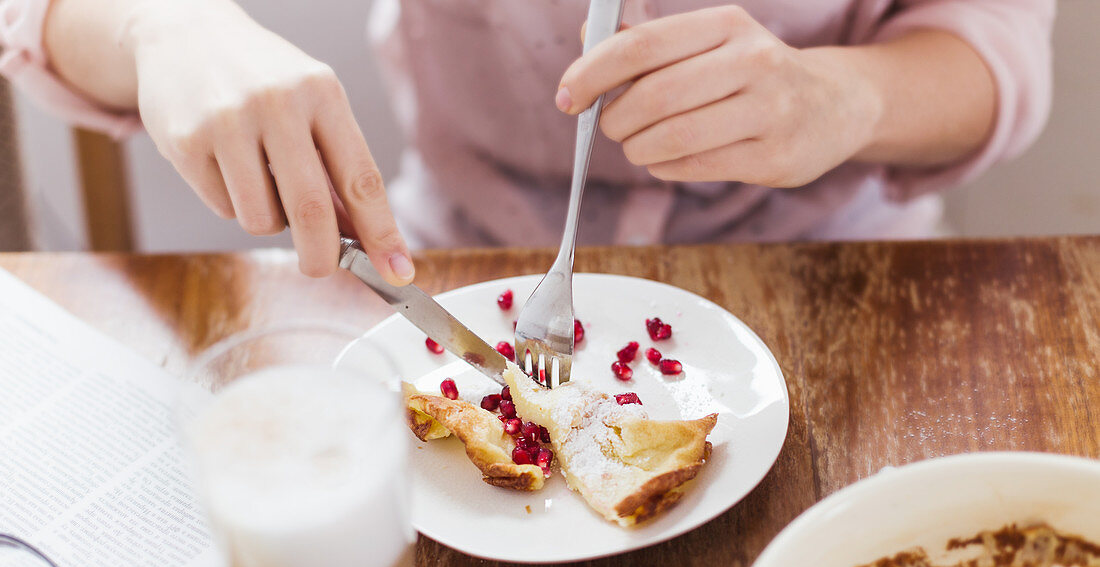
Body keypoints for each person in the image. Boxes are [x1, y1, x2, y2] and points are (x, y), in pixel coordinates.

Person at [0, 0, 1054, 285]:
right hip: (459, 256)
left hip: (837, 270)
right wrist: (159, 27)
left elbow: (998, 40)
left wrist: (846, 96)